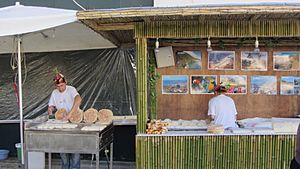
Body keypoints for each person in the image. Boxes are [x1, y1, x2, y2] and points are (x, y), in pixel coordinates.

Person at [48, 72, 82, 169]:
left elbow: (78, 100)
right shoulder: (54, 93)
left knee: (75, 155)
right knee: (64, 155)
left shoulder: (71, 90)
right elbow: (52, 107)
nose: (60, 88)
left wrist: (70, 114)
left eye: (62, 85)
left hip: (74, 123)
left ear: (66, 82)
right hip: (61, 126)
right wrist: (51, 110)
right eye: (58, 86)